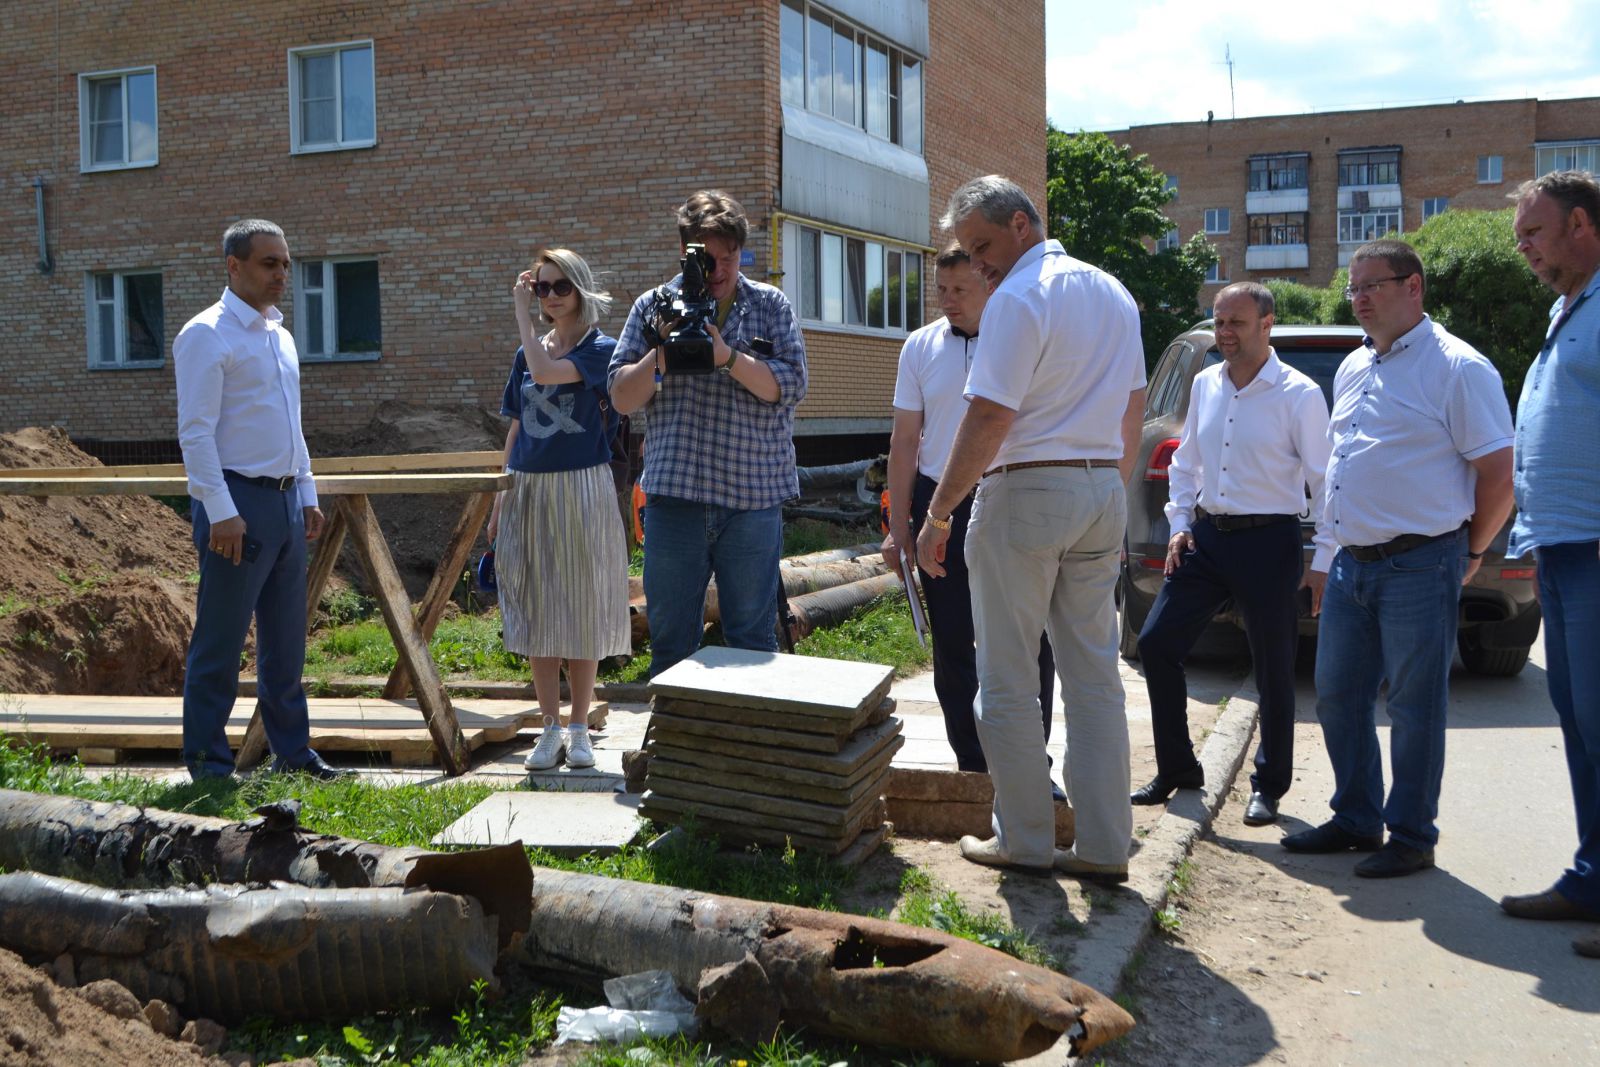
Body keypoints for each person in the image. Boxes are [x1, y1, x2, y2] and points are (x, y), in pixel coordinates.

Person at [915, 175, 1146, 882]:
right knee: (1094, 676)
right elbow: (1134, 402)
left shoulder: (1017, 295)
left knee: (1008, 676)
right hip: (1101, 484)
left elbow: (989, 417)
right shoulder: (1112, 291)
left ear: (1021, 224)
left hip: (1026, 492)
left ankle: (1025, 838)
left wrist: (939, 510)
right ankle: (1106, 846)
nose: (977, 264)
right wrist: (1109, 485)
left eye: (983, 246)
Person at [1285, 239, 1514, 878]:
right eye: (1352, 288)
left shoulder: (1459, 368)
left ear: (1413, 287)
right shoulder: (1358, 366)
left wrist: (1470, 552)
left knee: (1415, 706)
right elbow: (1343, 469)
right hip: (1354, 563)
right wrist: (1328, 554)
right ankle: (1357, 818)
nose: (1357, 299)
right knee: (1337, 694)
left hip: (1421, 562)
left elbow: (1498, 474)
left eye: (1371, 286)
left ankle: (1412, 834)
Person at [1132, 282, 1330, 826]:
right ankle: (1177, 769)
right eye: (1218, 322)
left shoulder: (1300, 394)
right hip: (1206, 539)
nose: (1224, 334)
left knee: (1273, 667)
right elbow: (1186, 463)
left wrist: (1324, 560)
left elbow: (1326, 482)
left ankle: (1269, 785)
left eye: (1235, 324)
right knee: (1156, 643)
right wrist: (1178, 522)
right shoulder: (1204, 384)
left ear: (1267, 324)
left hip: (1270, 542)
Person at [608, 191, 807, 677]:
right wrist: (662, 353)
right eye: (706, 260)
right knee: (672, 645)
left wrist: (729, 359)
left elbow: (793, 385)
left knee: (752, 643)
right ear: (685, 254)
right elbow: (618, 397)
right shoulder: (654, 305)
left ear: (741, 253)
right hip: (676, 499)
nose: (717, 272)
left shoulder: (769, 304)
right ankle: (674, 752)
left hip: (751, 499)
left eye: (729, 259)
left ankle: (747, 751)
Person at [173, 218, 343, 782]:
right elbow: (195, 432)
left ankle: (292, 753)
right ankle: (208, 766)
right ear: (234, 266)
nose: (282, 274)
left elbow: (291, 424)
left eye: (286, 263)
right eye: (270, 263)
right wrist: (221, 511)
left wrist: (308, 491)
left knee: (285, 642)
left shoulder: (279, 334)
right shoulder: (207, 334)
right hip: (236, 504)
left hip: (286, 503)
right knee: (220, 642)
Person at [882, 243, 1058, 776]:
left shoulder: (1019, 335)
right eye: (941, 290)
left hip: (1007, 495)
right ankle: (973, 769)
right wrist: (899, 527)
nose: (949, 301)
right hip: (939, 502)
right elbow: (905, 439)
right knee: (954, 643)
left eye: (961, 290)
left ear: (988, 286)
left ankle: (1030, 763)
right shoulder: (919, 346)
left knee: (1029, 640)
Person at [1499, 171, 1600, 956]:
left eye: (1534, 232)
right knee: (1581, 721)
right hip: (1564, 549)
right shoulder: (1567, 310)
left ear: (1581, 226)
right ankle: (1592, 877)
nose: (1523, 248)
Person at [489, 248, 632, 771]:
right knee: (538, 608)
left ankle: (578, 728)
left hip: (582, 486)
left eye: (559, 287)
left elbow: (547, 374)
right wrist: (500, 496)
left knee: (582, 605)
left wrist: (521, 315)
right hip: (529, 487)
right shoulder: (526, 352)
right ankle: (547, 727)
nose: (549, 297)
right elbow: (517, 425)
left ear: (580, 289)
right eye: (541, 288)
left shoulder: (601, 348)